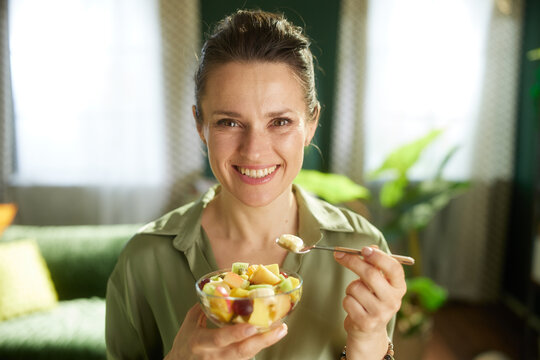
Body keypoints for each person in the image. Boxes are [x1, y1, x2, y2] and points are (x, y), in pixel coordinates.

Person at [105, 9, 406, 360]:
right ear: (200, 126)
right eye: (229, 123)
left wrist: (368, 342)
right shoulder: (143, 260)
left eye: (279, 121)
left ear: (311, 125)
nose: (254, 151)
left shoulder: (363, 251)